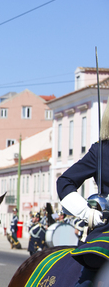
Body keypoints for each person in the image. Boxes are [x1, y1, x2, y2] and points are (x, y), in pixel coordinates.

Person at [56, 99, 109, 286]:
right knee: (86, 282)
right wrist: (87, 212)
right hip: (107, 232)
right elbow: (65, 181)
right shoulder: (101, 151)